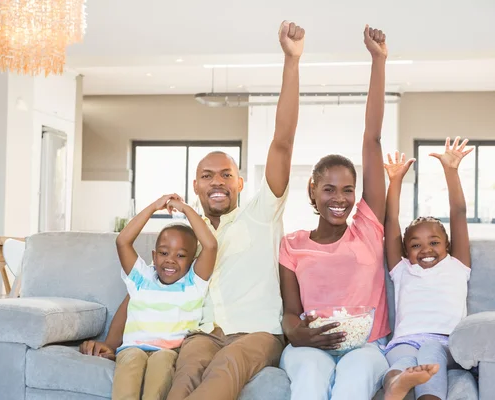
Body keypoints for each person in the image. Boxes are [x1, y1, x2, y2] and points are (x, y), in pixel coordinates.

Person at [81, 20, 305, 400]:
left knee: (225, 368)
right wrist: (111, 341)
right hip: (203, 334)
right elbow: (144, 292)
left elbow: (282, 142)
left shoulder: (261, 212)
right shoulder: (184, 240)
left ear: (240, 183)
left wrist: (291, 62)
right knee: (183, 374)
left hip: (256, 334)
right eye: (207, 176)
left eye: (226, 174)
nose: (217, 181)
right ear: (195, 187)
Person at [278, 25, 391, 399]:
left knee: (354, 379)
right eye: (329, 189)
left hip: (366, 346)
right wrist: (296, 332)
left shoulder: (367, 229)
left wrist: (378, 61)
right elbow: (291, 313)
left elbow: (372, 139)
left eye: (347, 190)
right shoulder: (292, 245)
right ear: (313, 190)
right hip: (311, 347)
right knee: (309, 379)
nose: (339, 199)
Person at [381, 137, 473, 400]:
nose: (426, 250)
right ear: (404, 250)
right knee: (400, 360)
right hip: (405, 340)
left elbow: (459, 212)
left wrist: (451, 171)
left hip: (445, 343)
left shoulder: (457, 265)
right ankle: (395, 386)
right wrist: (395, 181)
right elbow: (390, 220)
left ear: (448, 244)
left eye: (434, 242)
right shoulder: (401, 270)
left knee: (430, 352)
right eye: (415, 245)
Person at [101, 193, 217, 400]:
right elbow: (122, 241)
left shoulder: (193, 284)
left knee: (161, 361)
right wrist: (154, 207)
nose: (170, 260)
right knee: (132, 359)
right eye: (164, 253)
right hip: (133, 347)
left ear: (192, 261)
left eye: (180, 255)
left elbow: (210, 245)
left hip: (169, 352)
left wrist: (185, 209)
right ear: (154, 256)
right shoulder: (141, 279)